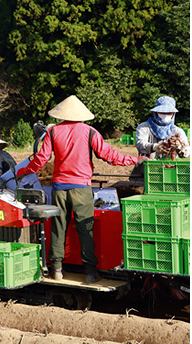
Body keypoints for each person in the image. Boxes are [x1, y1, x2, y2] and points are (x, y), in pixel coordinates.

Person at [15, 95, 148, 283]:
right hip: (82, 188)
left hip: (59, 188)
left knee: (58, 228)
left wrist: (22, 171)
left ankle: (57, 270)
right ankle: (91, 273)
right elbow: (108, 156)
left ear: (62, 114)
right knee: (86, 228)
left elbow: (41, 159)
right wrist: (135, 160)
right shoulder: (90, 132)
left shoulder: (53, 132)